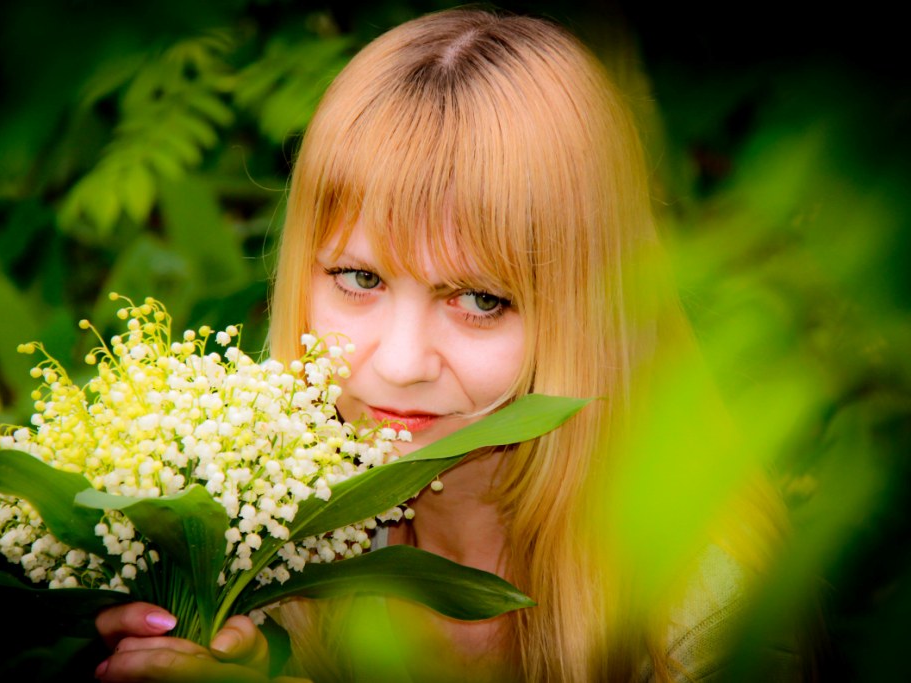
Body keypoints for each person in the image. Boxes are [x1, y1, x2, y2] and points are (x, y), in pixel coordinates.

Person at [93, 8, 807, 682]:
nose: (401, 365)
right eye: (360, 278)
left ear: (590, 309)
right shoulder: (250, 554)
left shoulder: (701, 605)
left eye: (480, 300)